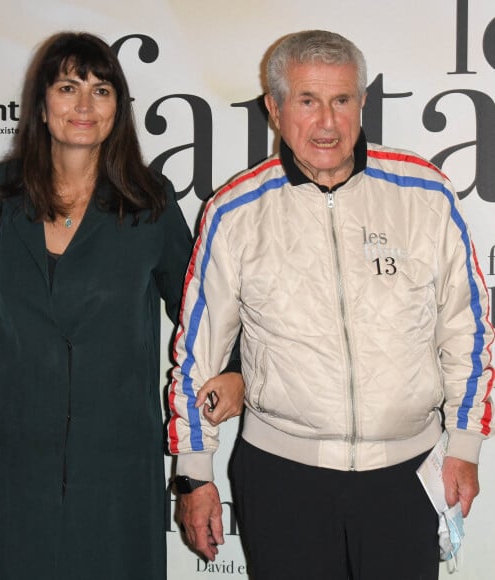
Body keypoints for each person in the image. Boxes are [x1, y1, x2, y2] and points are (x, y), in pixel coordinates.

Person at [167, 30, 493, 579]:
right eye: (307, 101)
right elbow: (196, 354)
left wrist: (465, 442)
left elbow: (469, 330)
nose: (327, 122)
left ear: (362, 102)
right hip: (281, 478)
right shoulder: (234, 212)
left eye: (342, 100)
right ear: (274, 108)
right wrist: (196, 474)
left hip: (409, 474)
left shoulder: (425, 194)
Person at [0, 31, 242, 580]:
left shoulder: (148, 203)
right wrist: (27, 380)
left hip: (115, 458)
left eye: (102, 90)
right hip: (8, 454)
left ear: (119, 107)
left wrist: (231, 373)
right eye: (68, 87)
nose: (85, 106)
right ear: (42, 105)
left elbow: (201, 313)